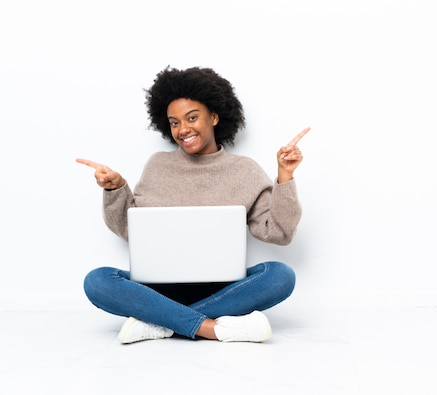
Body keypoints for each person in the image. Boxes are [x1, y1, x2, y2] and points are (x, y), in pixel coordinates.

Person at [77, 66, 309, 344]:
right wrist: (116, 188)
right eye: (174, 122)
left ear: (213, 116)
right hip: (158, 288)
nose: (183, 129)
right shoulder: (157, 166)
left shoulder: (245, 171)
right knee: (97, 280)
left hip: (223, 290)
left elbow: (279, 233)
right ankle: (211, 328)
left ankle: (160, 322)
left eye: (192, 118)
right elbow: (131, 231)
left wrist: (285, 176)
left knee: (279, 276)